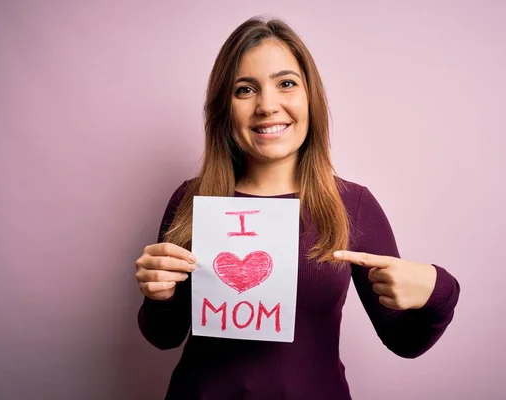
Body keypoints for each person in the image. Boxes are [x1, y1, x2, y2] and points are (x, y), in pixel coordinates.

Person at [135, 15, 460, 400]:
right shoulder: (191, 201)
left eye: (286, 84)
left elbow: (405, 342)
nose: (267, 106)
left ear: (311, 98)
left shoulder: (352, 205)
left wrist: (439, 290)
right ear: (225, 108)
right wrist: (159, 296)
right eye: (245, 90)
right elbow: (164, 336)